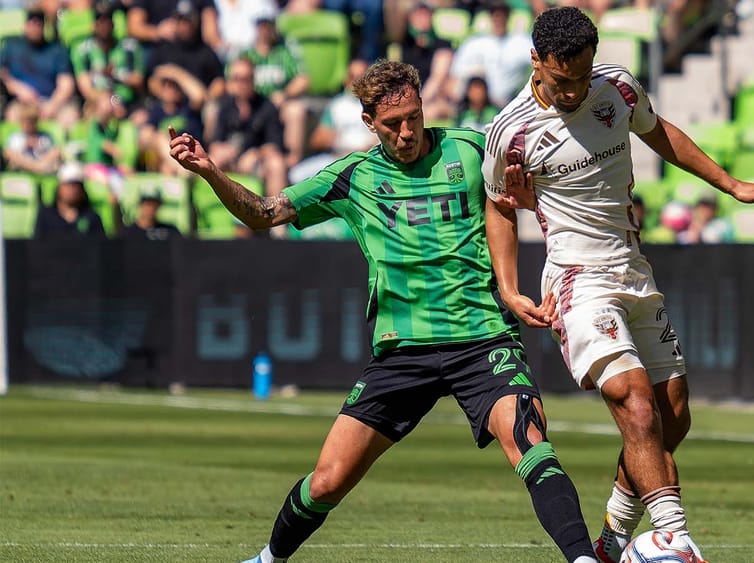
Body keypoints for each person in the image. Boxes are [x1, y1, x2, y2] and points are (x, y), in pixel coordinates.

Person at [168, 59, 600, 563]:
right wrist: (211, 173)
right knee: (328, 480)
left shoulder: (471, 148)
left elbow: (523, 192)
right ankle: (267, 559)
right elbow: (265, 214)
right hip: (402, 353)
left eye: (414, 117)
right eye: (393, 124)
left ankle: (583, 558)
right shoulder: (352, 177)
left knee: (530, 441)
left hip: (481, 337)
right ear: (369, 122)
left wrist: (526, 197)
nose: (407, 132)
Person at [481, 8, 754, 563]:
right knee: (636, 403)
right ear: (536, 61)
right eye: (561, 79)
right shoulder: (512, 130)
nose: (574, 90)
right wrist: (508, 287)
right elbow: (501, 208)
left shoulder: (617, 88)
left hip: (632, 266)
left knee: (674, 415)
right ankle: (673, 537)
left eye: (581, 76)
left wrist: (732, 184)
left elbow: (660, 132)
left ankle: (612, 542)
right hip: (576, 277)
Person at [208, 56, 287, 197]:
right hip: (230, 161)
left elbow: (275, 145)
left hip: (257, 163)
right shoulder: (225, 106)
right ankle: (211, 212)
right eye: (237, 78)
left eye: (246, 78)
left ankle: (277, 214)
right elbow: (214, 143)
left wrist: (256, 153)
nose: (241, 84)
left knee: (276, 163)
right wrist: (226, 151)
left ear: (253, 80)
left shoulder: (266, 107)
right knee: (213, 160)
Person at [288, 58, 376, 184]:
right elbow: (317, 140)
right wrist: (327, 138)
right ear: (346, 79)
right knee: (296, 175)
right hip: (337, 157)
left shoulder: (377, 104)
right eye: (352, 76)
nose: (356, 81)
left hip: (368, 159)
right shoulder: (337, 105)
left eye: (361, 76)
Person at [238, 15, 311, 167]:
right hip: (253, 103)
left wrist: (284, 94)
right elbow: (231, 80)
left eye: (268, 26)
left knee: (296, 110)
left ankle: (292, 161)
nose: (265, 30)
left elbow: (303, 80)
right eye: (261, 26)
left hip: (277, 104)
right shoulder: (246, 54)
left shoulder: (284, 52)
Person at [71, 2, 145, 115]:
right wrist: (108, 100)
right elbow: (86, 89)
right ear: (94, 25)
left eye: (107, 21)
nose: (103, 25)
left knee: (141, 118)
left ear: (113, 24)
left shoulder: (129, 47)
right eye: (100, 21)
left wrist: (116, 74)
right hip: (98, 103)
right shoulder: (83, 51)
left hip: (129, 102)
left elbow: (138, 80)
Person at [34, 161, 107, 238]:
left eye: (76, 185)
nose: (72, 189)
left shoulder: (92, 217)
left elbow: (101, 246)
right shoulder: (46, 215)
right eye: (68, 185)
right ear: (59, 188)